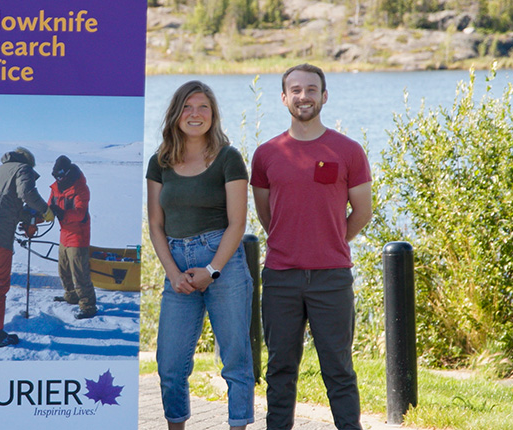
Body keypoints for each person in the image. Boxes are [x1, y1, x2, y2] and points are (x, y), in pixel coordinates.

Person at [250, 63, 373, 430]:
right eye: (296, 90)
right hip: (280, 279)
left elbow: (362, 212)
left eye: (312, 89)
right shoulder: (266, 154)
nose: (304, 96)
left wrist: (329, 240)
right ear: (284, 97)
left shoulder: (348, 151)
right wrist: (294, 240)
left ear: (324, 96)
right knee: (280, 369)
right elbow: (266, 215)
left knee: (338, 368)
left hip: (332, 279)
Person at [146, 80, 254, 430]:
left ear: (213, 114)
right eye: (188, 107)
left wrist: (213, 269)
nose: (195, 114)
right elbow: (156, 225)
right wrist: (173, 273)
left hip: (222, 261)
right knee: (170, 365)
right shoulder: (159, 161)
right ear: (176, 114)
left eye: (203, 107)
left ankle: (238, 424)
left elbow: (238, 223)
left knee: (236, 361)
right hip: (176, 263)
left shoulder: (228, 158)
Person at [0, 147, 53, 348]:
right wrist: (45, 210)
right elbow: (27, 193)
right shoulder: (23, 169)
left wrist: (26, 216)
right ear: (28, 162)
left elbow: (4, 203)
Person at [48, 155, 97, 319]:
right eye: (56, 175)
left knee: (80, 273)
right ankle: (71, 296)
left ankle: (88, 305)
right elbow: (49, 209)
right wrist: (34, 215)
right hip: (64, 235)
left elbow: (80, 213)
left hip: (78, 236)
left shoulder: (81, 188)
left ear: (68, 172)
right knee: (64, 270)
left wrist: (61, 212)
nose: (58, 178)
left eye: (61, 175)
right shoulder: (55, 188)